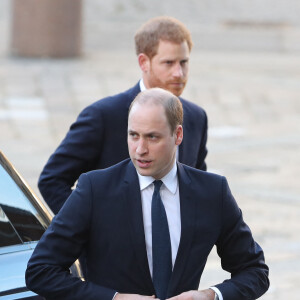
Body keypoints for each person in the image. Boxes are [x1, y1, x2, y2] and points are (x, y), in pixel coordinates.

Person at [26, 88, 269, 300]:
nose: (140, 149)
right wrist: (113, 298)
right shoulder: (95, 189)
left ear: (178, 135)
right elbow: (40, 271)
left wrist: (211, 296)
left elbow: (255, 271)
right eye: (134, 135)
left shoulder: (212, 192)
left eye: (152, 137)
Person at [38, 16, 208, 215]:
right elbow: (52, 180)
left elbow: (197, 186)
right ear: (144, 62)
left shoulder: (196, 118)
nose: (179, 73)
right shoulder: (103, 116)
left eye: (184, 62)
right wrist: (91, 229)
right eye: (168, 63)